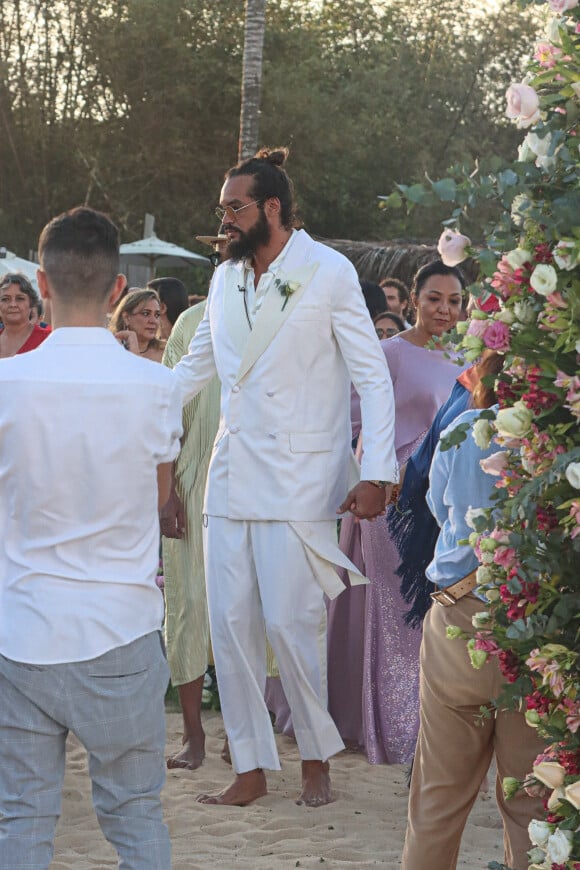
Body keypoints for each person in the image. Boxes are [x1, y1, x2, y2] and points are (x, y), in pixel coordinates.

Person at [171, 147, 398, 807]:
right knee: (230, 624)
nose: (224, 219)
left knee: (292, 626)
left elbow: (371, 376)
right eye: (223, 208)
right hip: (230, 475)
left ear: (271, 207)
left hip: (301, 478)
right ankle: (248, 767)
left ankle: (316, 761)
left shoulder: (328, 271)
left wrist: (378, 470)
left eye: (234, 207)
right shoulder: (223, 280)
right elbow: (193, 373)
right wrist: (125, 401)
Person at [0, 206, 183, 869]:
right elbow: (161, 497)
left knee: (21, 815)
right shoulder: (158, 386)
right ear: (116, 291)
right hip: (121, 630)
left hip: (22, 629)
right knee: (135, 816)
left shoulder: (5, 385)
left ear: (41, 287)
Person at [402, 361, 544, 870]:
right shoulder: (554, 440)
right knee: (532, 803)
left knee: (436, 801)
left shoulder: (462, 427)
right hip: (535, 627)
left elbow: (442, 512)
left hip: (458, 610)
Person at [328, 259, 466, 760]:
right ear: (413, 300)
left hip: (448, 499)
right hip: (393, 498)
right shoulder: (388, 353)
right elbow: (347, 411)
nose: (444, 310)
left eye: (453, 301)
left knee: (437, 609)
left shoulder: (468, 356)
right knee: (397, 610)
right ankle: (396, 725)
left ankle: (432, 723)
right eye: (434, 298)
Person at [0, 272, 50, 357]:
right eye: (5, 299)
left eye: (20, 298)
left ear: (31, 303)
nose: (13, 304)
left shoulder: (47, 339)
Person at [109, 287, 165, 361]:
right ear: (126, 318)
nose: (153, 321)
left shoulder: (167, 352)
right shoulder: (111, 349)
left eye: (157, 315)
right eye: (146, 314)